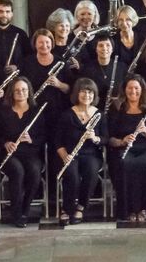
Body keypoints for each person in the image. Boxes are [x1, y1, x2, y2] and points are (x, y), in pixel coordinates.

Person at [107, 75, 146, 222]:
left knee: (145, 164)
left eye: (136, 88)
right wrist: (122, 141)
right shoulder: (117, 108)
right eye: (130, 88)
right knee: (125, 164)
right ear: (124, 90)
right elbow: (109, 138)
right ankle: (129, 209)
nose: (133, 91)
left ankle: (143, 208)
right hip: (124, 149)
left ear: (142, 90)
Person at [0, 77, 47, 227]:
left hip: (30, 153)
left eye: (24, 90)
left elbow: (43, 136)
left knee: (35, 172)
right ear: (11, 93)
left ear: (29, 91)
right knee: (17, 171)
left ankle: (25, 208)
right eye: (17, 90)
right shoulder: (3, 112)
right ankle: (16, 213)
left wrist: (31, 140)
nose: (21, 93)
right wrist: (6, 143)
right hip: (9, 155)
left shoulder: (36, 111)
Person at [55, 78, 108, 225]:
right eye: (83, 91)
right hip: (71, 154)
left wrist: (95, 138)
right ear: (76, 94)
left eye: (90, 92)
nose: (86, 95)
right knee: (71, 174)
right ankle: (66, 209)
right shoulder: (67, 115)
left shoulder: (99, 115)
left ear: (94, 95)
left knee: (91, 172)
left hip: (91, 154)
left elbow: (106, 138)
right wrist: (64, 155)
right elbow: (58, 141)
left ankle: (81, 206)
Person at [81, 35, 127, 111]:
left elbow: (126, 89)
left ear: (112, 49)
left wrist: (118, 99)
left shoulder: (122, 67)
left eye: (108, 45)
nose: (104, 48)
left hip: (117, 109)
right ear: (96, 49)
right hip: (93, 109)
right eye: (100, 46)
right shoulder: (87, 69)